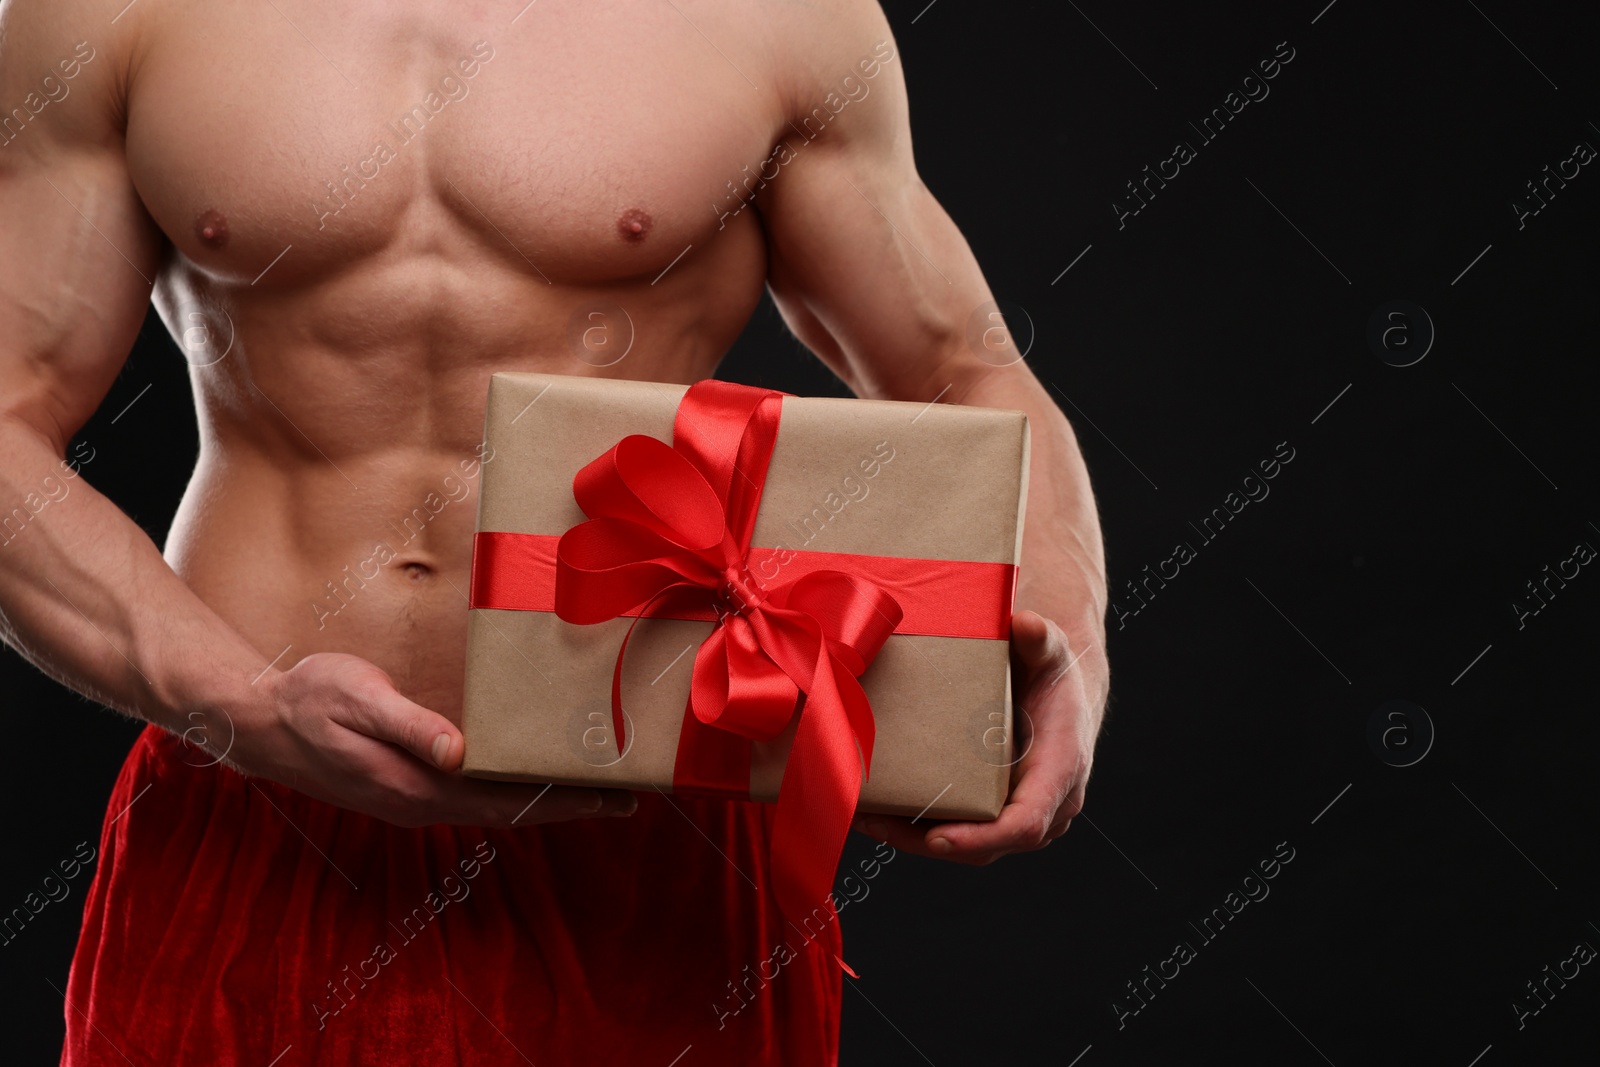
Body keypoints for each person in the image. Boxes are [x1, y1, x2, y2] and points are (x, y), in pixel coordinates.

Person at [0, 0, 1108, 1062]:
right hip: (257, 810)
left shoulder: (779, 16)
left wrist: (1069, 627)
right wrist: (239, 702)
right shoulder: (112, 9)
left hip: (644, 832)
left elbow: (962, 365)